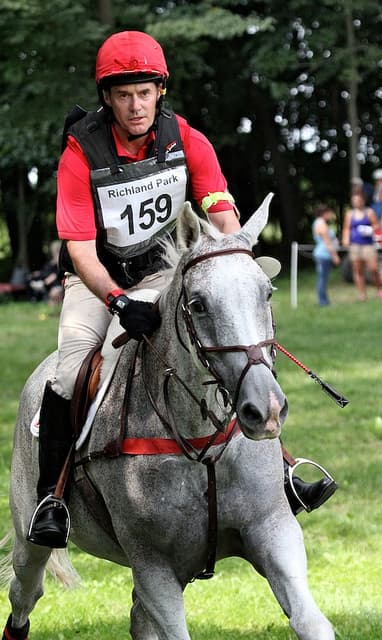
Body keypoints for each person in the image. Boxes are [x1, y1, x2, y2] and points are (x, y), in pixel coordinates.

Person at [27, 31, 336, 549]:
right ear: (107, 98)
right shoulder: (80, 152)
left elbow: (219, 206)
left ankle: (282, 471)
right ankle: (51, 498)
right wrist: (118, 302)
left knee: (232, 342)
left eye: (144, 93)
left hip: (164, 270)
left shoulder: (187, 138)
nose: (135, 105)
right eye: (124, 95)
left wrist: (231, 256)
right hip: (96, 279)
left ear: (159, 92)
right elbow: (80, 251)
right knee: (71, 369)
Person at [342, 193, 382, 301]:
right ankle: (362, 293)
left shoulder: (369, 212)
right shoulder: (350, 214)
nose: (356, 202)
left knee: (373, 269)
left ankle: (378, 289)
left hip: (368, 245)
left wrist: (368, 230)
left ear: (362, 201)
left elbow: (377, 225)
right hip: (355, 245)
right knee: (358, 270)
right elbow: (347, 228)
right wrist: (345, 239)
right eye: (354, 200)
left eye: (358, 200)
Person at [312, 204, 340, 306]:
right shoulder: (321, 224)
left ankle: (324, 300)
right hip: (323, 254)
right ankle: (323, 301)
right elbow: (327, 242)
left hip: (324, 254)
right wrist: (335, 256)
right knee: (322, 278)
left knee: (323, 278)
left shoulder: (319, 222)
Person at [27, 240, 64, 306]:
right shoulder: (51, 262)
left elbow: (56, 274)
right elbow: (45, 271)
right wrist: (37, 273)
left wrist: (45, 282)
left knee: (53, 293)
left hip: (56, 284)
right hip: (48, 282)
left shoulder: (60, 263)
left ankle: (42, 287)